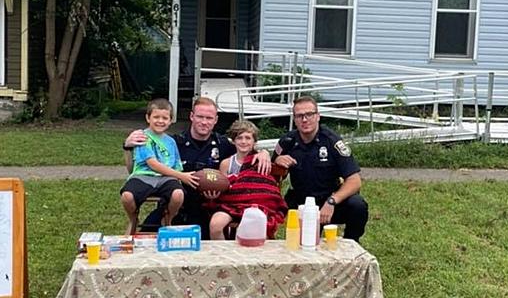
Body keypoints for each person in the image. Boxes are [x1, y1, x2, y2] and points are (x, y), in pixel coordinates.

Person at [123, 97, 271, 236]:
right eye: (200, 117)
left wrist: (262, 153)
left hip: (208, 209)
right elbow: (140, 167)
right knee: (146, 240)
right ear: (192, 116)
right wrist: (127, 146)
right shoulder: (174, 142)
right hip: (175, 207)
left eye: (209, 118)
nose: (204, 122)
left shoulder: (224, 144)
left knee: (210, 245)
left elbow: (245, 150)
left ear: (215, 120)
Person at [272, 96, 369, 242]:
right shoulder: (287, 142)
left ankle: (352, 243)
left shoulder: (332, 142)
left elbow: (354, 181)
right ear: (294, 119)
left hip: (329, 200)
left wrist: (332, 201)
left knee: (358, 205)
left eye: (309, 114)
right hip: (301, 203)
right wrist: (277, 161)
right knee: (304, 247)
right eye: (299, 116)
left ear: (318, 116)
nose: (304, 120)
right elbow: (271, 170)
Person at [119, 98, 198, 235]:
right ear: (148, 118)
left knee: (178, 194)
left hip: (166, 178)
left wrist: (178, 177)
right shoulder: (143, 137)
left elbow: (176, 165)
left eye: (164, 118)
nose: (160, 121)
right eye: (156, 117)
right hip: (143, 176)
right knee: (127, 196)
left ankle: (168, 218)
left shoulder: (171, 141)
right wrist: (182, 176)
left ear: (170, 120)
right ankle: (133, 218)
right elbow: (153, 164)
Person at [208, 120, 287, 240]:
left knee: (254, 227)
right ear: (233, 141)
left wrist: (264, 152)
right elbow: (223, 189)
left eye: (248, 138)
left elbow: (264, 188)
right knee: (215, 224)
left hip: (257, 205)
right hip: (231, 205)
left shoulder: (261, 161)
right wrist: (215, 195)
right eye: (239, 138)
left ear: (254, 141)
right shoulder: (226, 163)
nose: (243, 141)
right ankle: (224, 254)